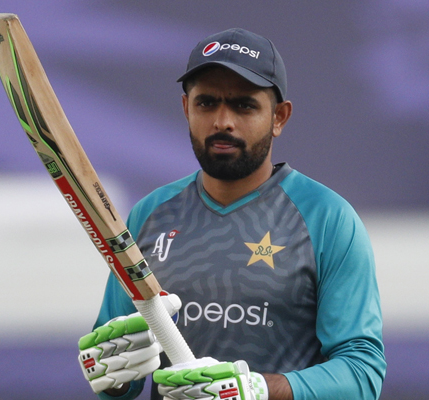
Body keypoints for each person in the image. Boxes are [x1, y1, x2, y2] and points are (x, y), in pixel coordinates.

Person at [77, 28, 386, 400]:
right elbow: (120, 380)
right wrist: (116, 377)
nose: (223, 121)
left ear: (279, 117)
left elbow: (363, 373)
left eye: (244, 105)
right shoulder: (148, 214)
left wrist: (259, 390)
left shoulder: (328, 219)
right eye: (206, 103)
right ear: (185, 108)